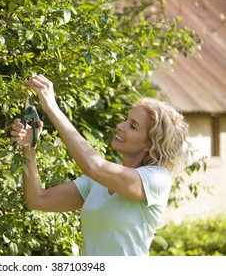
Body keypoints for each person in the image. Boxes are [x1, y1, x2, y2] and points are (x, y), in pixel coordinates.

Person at [10, 74, 189, 256]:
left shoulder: (156, 179)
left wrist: (52, 108)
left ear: (149, 144)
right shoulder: (98, 181)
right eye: (126, 119)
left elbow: (93, 166)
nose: (121, 126)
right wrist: (29, 146)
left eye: (133, 126)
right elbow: (38, 200)